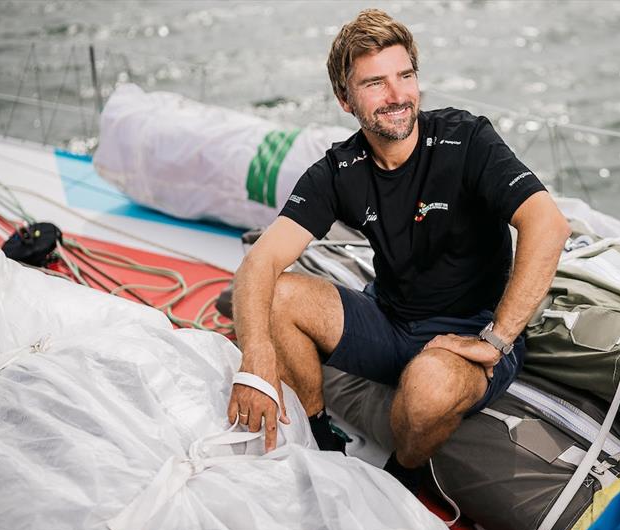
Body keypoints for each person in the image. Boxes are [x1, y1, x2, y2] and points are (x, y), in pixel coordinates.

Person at [227, 8, 570, 490]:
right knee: (276, 296)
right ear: (345, 99)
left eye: (405, 75)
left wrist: (496, 338)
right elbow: (259, 262)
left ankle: (406, 470)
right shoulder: (340, 170)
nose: (396, 96)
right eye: (374, 83)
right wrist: (255, 356)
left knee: (428, 387)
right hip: (390, 321)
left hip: (471, 330)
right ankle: (321, 429)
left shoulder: (467, 139)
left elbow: (548, 224)